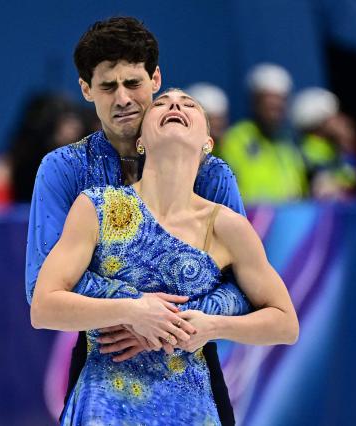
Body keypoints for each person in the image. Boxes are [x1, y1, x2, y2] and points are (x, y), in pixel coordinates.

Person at [25, 17, 250, 425]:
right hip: (103, 360)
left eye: (133, 83)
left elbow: (245, 285)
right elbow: (41, 285)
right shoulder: (65, 170)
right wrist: (130, 310)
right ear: (86, 89)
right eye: (108, 87)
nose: (123, 98)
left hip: (194, 363)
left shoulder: (213, 175)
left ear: (156, 78)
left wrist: (166, 323)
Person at [31, 89, 299, 425]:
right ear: (141, 140)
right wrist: (132, 310)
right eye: (162, 104)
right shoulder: (96, 206)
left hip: (188, 408)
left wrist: (212, 326)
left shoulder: (227, 227)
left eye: (189, 105)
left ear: (208, 143)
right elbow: (43, 307)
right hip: (104, 405)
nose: (175, 104)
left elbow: (285, 323)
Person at [219, 63, 308, 203]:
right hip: (248, 219)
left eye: (279, 105)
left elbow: (301, 190)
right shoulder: (236, 138)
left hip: (286, 220)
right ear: (255, 102)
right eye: (269, 105)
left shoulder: (288, 144)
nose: (274, 113)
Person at [290, 87, 356, 199]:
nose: (340, 120)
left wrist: (346, 147)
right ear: (319, 122)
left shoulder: (333, 148)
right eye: (333, 115)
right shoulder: (308, 150)